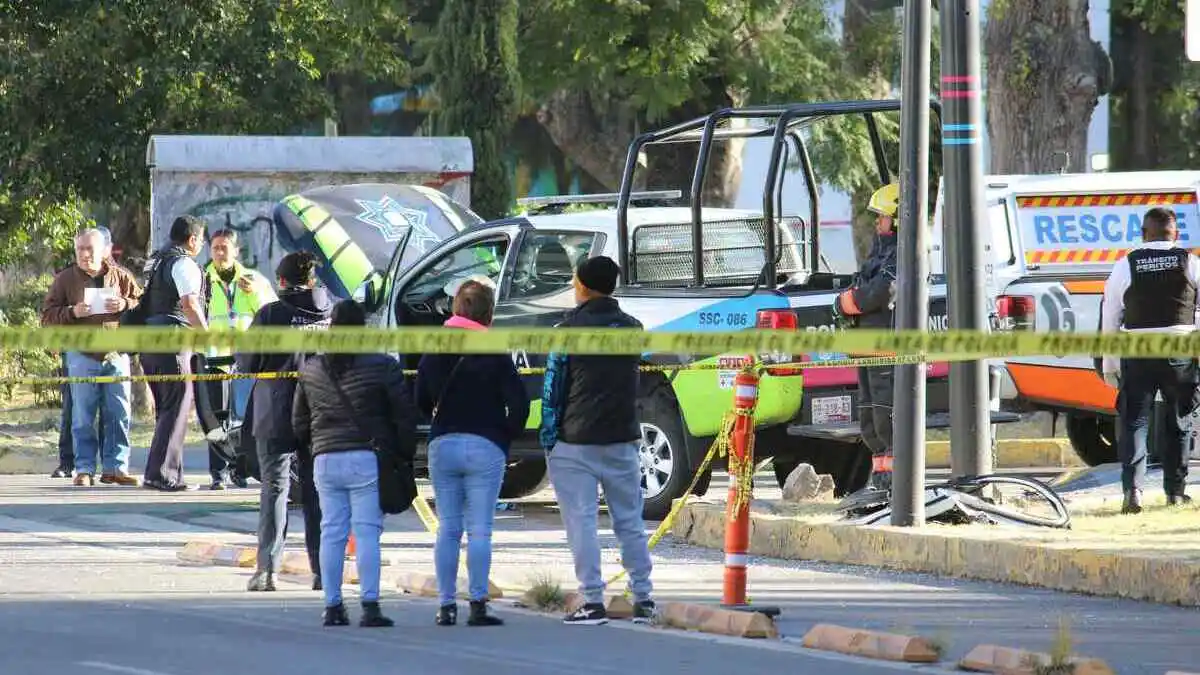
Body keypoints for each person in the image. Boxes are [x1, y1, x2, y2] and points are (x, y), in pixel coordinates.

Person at [539, 256, 655, 626]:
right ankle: (644, 599)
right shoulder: (633, 329)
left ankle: (592, 600)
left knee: (582, 522)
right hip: (622, 437)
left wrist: (549, 440)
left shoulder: (567, 331)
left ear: (582, 286)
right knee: (630, 522)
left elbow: (553, 390)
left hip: (575, 441)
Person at [293, 299, 417, 628]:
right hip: (366, 457)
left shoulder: (312, 368)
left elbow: (299, 422)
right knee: (367, 533)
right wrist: (403, 454)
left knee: (331, 532)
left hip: (325, 459)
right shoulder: (382, 365)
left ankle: (332, 606)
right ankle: (370, 605)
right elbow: (403, 415)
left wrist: (315, 447)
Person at [416, 279, 528, 628]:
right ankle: (478, 603)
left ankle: (446, 606)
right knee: (480, 530)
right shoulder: (495, 349)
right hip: (486, 444)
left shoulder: (436, 346)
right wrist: (503, 438)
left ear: (454, 309)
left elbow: (419, 397)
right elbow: (519, 403)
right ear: (489, 313)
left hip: (444, 442)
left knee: (448, 528)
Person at [238, 251, 331, 592]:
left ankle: (267, 571)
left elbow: (247, 361)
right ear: (312, 281)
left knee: (275, 490)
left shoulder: (270, 315)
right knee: (317, 492)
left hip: (275, 408)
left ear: (280, 282)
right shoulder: (331, 313)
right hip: (320, 411)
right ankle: (323, 570)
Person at [1101, 206, 1199, 514]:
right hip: (1178, 351)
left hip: (1138, 351)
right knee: (1178, 422)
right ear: (1176, 234)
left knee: (1134, 422)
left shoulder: (1125, 265)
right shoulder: (1191, 262)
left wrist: (1110, 363)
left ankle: (1133, 492)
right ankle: (1175, 493)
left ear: (1144, 234)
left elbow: (1110, 318)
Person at [40, 228, 143, 487]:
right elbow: (47, 315)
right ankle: (84, 469)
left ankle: (116, 468)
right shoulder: (64, 280)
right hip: (82, 355)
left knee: (119, 413)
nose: (85, 255)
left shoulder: (120, 276)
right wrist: (72, 312)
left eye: (90, 250)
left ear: (104, 251)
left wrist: (125, 304)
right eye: (80, 250)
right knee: (83, 416)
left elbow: (141, 302)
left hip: (116, 354)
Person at [832, 182, 899, 494]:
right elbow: (863, 284)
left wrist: (848, 302)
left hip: (885, 344)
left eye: (882, 216)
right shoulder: (880, 252)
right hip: (866, 346)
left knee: (886, 409)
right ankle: (881, 477)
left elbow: (879, 292)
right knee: (869, 410)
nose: (877, 222)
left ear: (897, 219)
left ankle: (897, 480)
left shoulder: (903, 254)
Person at [203, 228, 276, 490]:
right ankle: (218, 474)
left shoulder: (254, 280)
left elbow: (271, 314)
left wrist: (254, 292)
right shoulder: (203, 280)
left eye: (224, 248)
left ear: (236, 251)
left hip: (246, 362)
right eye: (215, 248)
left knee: (244, 419)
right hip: (215, 359)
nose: (220, 253)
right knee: (217, 419)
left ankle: (241, 469)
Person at [141, 215, 209, 492]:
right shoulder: (184, 263)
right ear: (192, 239)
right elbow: (190, 304)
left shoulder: (155, 260)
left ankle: (157, 473)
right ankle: (164, 475)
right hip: (172, 339)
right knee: (178, 405)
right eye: (201, 240)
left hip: (148, 340)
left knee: (166, 408)